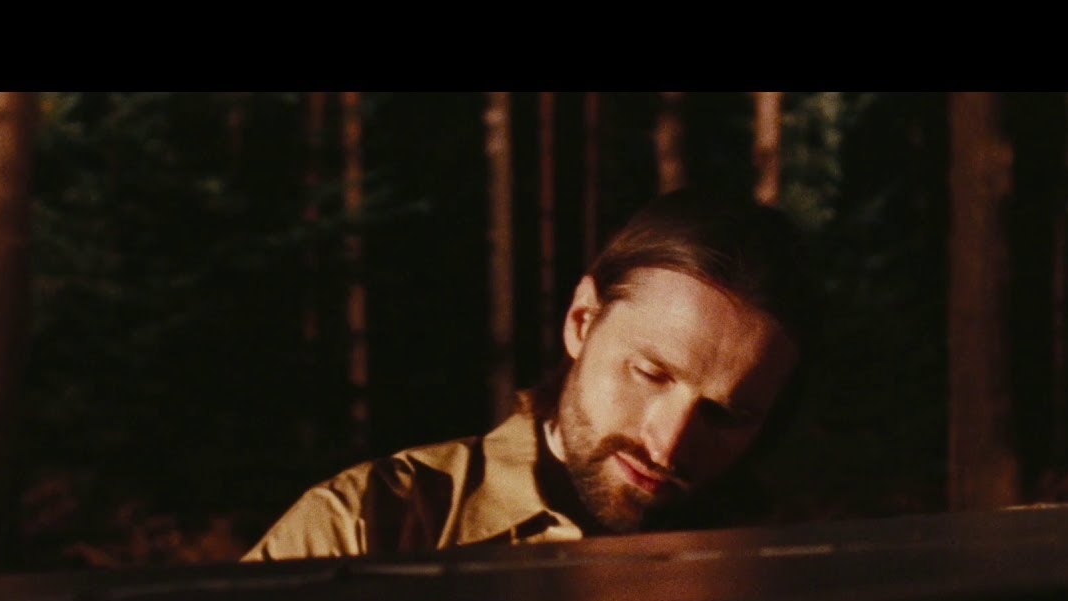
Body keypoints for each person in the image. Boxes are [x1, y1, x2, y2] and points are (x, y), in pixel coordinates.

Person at [242, 187, 811, 561]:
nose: (669, 445)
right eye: (650, 373)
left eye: (727, 416)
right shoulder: (367, 528)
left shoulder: (780, 570)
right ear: (582, 321)